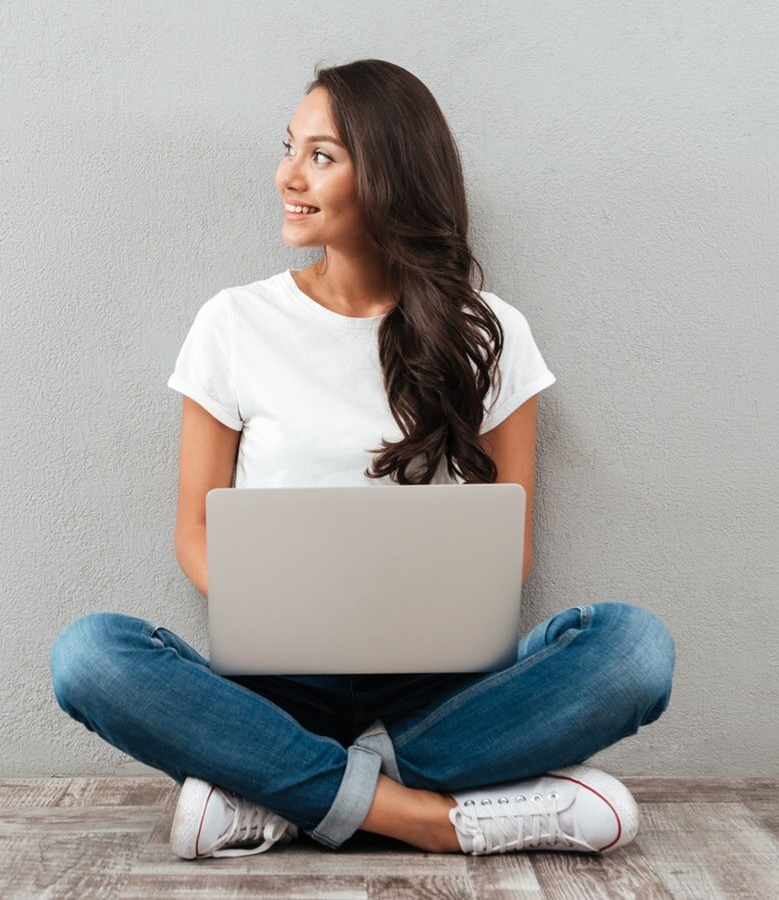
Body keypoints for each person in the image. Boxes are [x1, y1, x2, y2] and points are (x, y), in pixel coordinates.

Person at [49, 58, 676, 860]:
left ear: (389, 173)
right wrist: (285, 609)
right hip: (274, 691)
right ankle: (431, 819)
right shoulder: (233, 322)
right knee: (90, 656)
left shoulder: (492, 332)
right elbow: (196, 532)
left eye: (321, 155)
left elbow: (506, 547)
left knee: (634, 650)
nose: (287, 175)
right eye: (289, 147)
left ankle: (278, 797)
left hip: (443, 697)